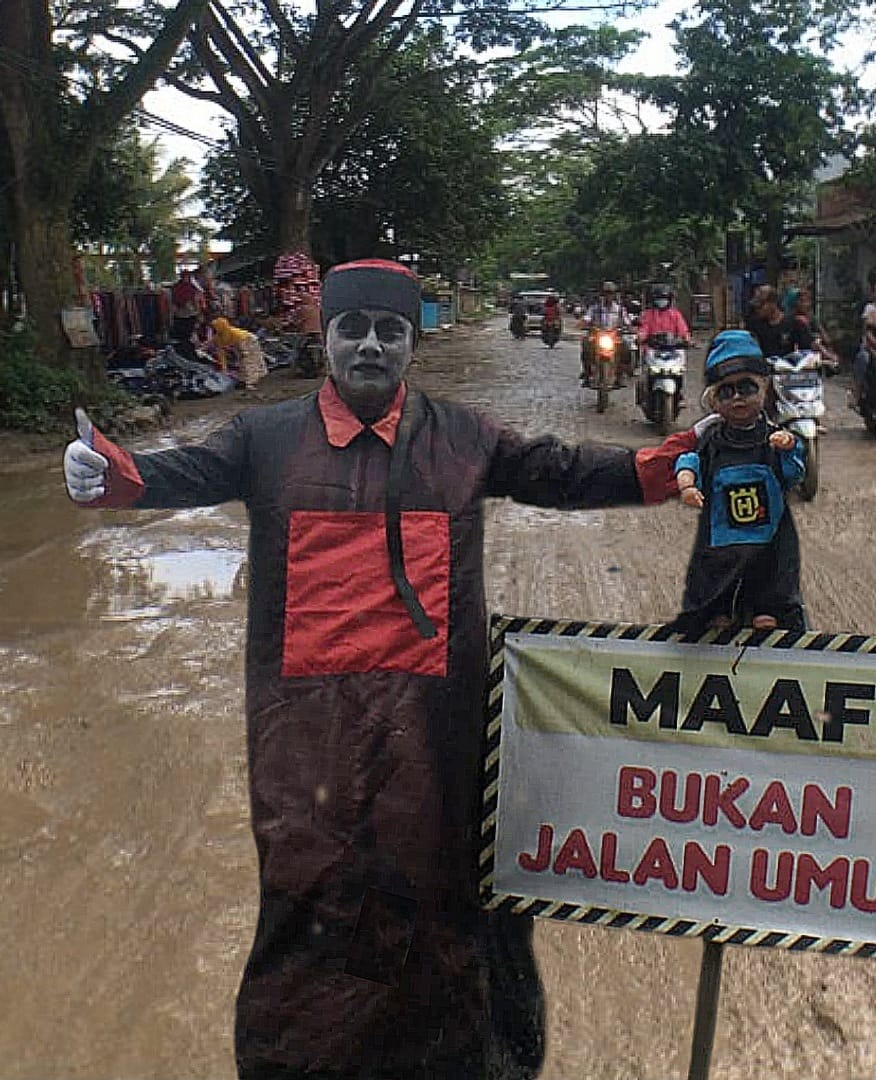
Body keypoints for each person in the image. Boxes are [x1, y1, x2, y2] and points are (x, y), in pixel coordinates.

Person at [61, 257, 699, 1080]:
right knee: (308, 892)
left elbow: (564, 471)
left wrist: (674, 461)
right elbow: (174, 473)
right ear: (324, 337)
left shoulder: (463, 438)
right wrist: (110, 476)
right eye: (351, 329)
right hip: (304, 737)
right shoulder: (263, 439)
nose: (369, 346)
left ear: (412, 340)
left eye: (388, 331)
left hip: (433, 731)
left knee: (436, 894)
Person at [670, 329, 806, 636]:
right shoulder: (710, 439)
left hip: (768, 536)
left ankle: (767, 610)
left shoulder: (774, 437)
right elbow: (689, 460)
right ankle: (719, 611)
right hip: (722, 537)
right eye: (726, 392)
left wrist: (787, 450)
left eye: (746, 388)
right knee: (714, 591)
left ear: (764, 389)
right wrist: (687, 484)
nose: (737, 399)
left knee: (772, 585)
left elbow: (794, 475)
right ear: (714, 400)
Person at [744, 284, 814, 358]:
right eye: (756, 306)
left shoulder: (794, 323)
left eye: (761, 305)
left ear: (773, 303)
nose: (758, 309)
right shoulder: (754, 324)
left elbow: (806, 352)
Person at [581, 280, 629, 386]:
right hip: (597, 335)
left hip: (614, 336)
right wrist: (584, 324)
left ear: (614, 295)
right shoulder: (595, 308)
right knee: (585, 344)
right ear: (601, 295)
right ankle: (587, 372)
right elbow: (587, 318)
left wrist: (629, 328)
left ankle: (621, 375)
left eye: (611, 293)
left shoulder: (620, 309)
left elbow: (627, 322)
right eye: (606, 293)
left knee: (626, 346)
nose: (608, 296)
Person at [210, 315, 269, 389]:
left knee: (249, 360)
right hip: (239, 343)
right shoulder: (218, 337)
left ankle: (250, 382)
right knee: (243, 361)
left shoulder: (233, 333)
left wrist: (243, 352)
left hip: (248, 340)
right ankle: (247, 379)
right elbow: (221, 352)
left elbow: (242, 342)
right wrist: (224, 367)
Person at [170, 269, 205, 363]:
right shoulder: (192, 288)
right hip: (187, 315)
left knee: (183, 337)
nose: (187, 278)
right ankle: (186, 356)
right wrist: (198, 313)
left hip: (181, 316)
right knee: (186, 337)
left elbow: (173, 303)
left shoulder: (176, 287)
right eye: (187, 276)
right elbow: (196, 302)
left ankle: (183, 355)